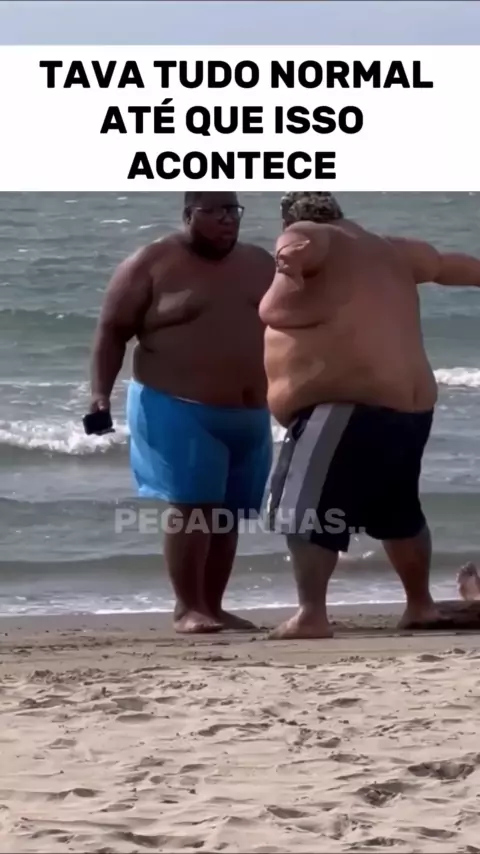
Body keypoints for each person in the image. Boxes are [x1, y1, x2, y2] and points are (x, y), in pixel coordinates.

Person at [260, 190, 480, 640]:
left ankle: (311, 614)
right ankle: (419, 605)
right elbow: (448, 266)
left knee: (306, 512)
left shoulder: (308, 235)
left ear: (288, 219)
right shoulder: (390, 250)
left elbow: (297, 253)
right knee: (398, 512)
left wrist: (288, 265)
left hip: (344, 409)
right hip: (409, 411)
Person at [89, 191, 275, 634]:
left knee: (228, 512)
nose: (227, 219)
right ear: (189, 214)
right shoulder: (151, 263)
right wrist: (99, 396)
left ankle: (213, 606)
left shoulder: (259, 263)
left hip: (250, 413)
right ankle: (187, 608)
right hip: (176, 405)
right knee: (193, 507)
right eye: (215, 211)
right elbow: (112, 332)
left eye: (233, 210)